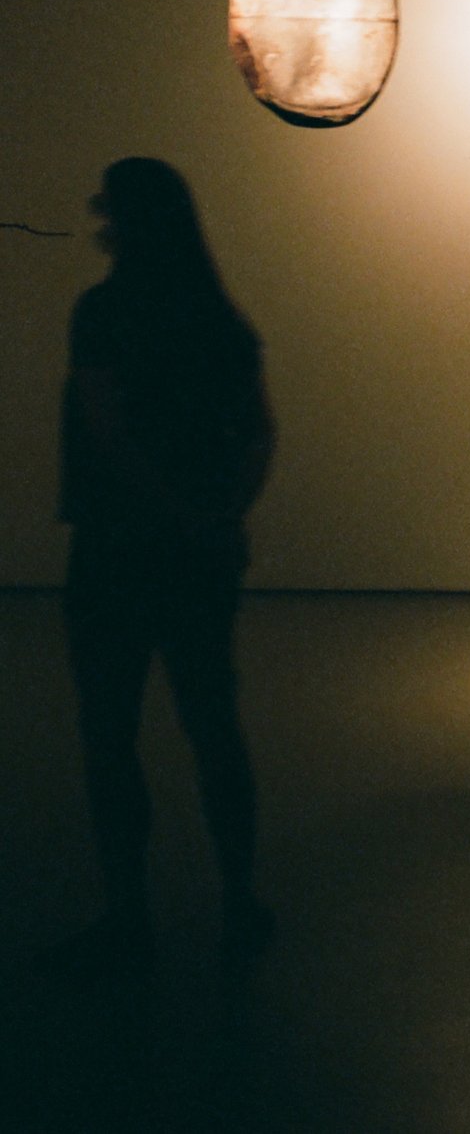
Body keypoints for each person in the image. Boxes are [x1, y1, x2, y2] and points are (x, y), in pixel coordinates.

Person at [49, 158, 275, 980]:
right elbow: (260, 433)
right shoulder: (221, 320)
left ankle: (128, 919)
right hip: (200, 559)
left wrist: (176, 514)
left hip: (114, 554)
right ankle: (240, 904)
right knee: (214, 728)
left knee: (111, 735)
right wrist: (219, 517)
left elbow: (107, 434)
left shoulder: (103, 313)